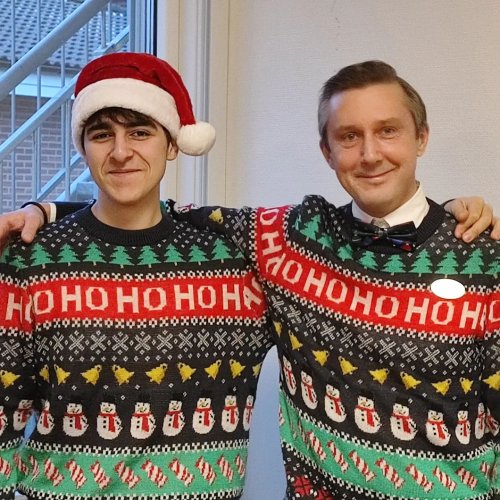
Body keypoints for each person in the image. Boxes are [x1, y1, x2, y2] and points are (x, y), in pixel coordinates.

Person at [1, 58, 499, 499]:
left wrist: (450, 220)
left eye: (388, 130)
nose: (369, 154)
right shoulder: (289, 242)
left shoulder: (483, 256)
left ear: (421, 137)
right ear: (327, 151)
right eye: (349, 136)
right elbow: (138, 216)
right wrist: (45, 212)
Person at [0, 52, 274, 499]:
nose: (121, 151)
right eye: (101, 134)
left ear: (173, 145)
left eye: (140, 132)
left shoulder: (237, 262)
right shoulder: (33, 259)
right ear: (84, 148)